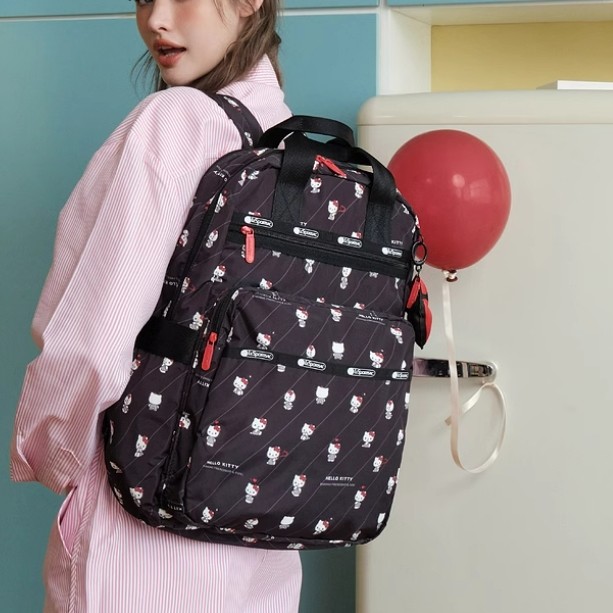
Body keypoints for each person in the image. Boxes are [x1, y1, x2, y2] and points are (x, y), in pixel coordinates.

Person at [9, 1, 301, 611]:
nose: (157, 20)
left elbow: (96, 335)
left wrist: (52, 450)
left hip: (143, 514)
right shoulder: (291, 138)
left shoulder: (176, 119)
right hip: (265, 517)